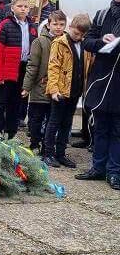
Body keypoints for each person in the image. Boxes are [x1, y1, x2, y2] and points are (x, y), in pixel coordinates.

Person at [77, 0, 120, 189]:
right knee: (100, 126)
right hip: (102, 79)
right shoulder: (102, 15)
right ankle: (98, 167)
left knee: (117, 129)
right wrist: (101, 41)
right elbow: (87, 41)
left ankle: (114, 171)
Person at [43, 14, 91, 168]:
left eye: (82, 35)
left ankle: (61, 153)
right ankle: (48, 153)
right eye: (76, 33)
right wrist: (54, 89)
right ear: (70, 27)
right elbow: (53, 67)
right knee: (54, 122)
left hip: (75, 90)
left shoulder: (84, 45)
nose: (79, 37)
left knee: (67, 123)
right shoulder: (59, 43)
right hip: (60, 91)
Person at [0, 0, 38, 139]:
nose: (23, 9)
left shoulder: (32, 27)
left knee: (16, 103)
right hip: (7, 69)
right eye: (20, 6)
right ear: (12, 8)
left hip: (23, 68)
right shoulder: (5, 25)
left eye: (25, 7)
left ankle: (11, 133)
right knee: (1, 102)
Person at [22, 10, 67, 154]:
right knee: (36, 118)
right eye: (55, 24)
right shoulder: (40, 41)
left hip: (57, 89)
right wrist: (27, 87)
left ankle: (47, 148)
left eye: (61, 24)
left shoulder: (66, 41)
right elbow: (32, 65)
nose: (58, 27)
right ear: (48, 25)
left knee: (52, 120)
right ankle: (34, 143)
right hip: (40, 86)